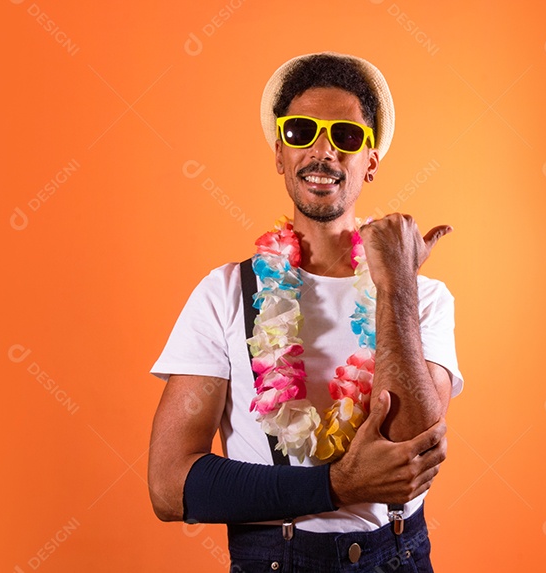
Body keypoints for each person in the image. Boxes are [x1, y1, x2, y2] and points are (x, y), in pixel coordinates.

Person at [148, 51, 464, 572]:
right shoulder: (225, 293)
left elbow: (411, 450)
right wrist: (336, 486)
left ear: (370, 161)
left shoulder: (422, 298)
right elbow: (170, 486)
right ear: (279, 153)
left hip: (398, 557)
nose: (323, 151)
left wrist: (396, 287)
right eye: (301, 132)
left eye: (345, 136)